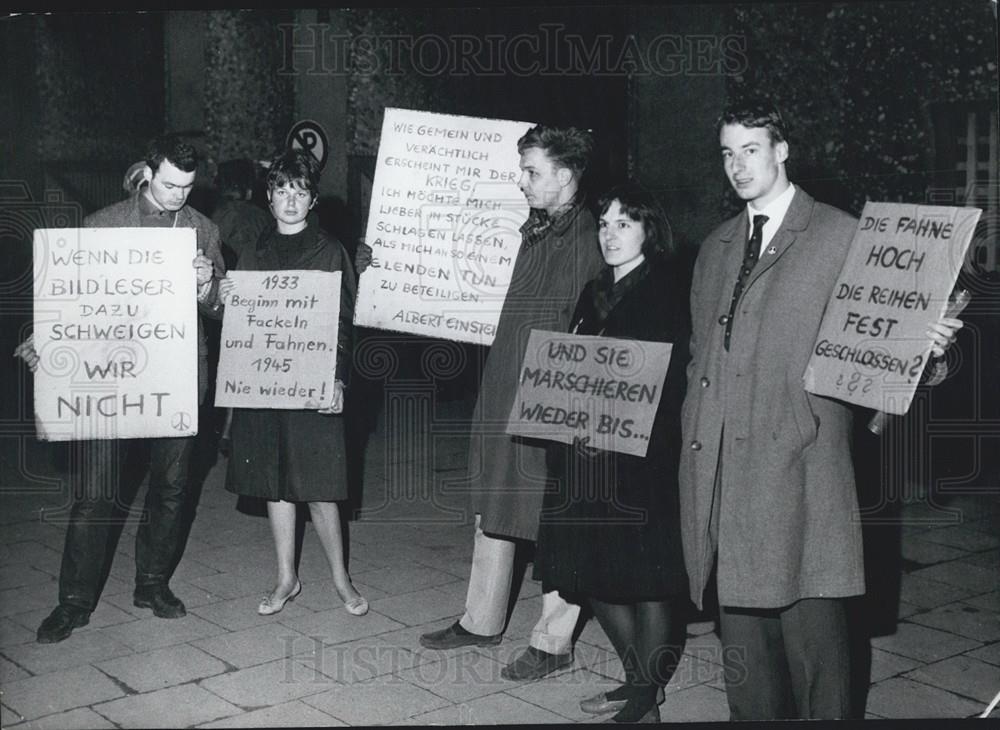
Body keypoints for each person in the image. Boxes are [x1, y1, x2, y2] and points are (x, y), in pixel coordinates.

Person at [678, 97, 964, 720]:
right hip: (726, 479)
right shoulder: (716, 246)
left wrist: (926, 348)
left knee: (819, 658)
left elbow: (885, 353)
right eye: (727, 153)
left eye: (751, 149)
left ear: (782, 150)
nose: (738, 165)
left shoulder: (840, 235)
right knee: (747, 661)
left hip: (802, 476)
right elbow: (703, 359)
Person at [14, 134, 225, 643]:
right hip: (108, 380)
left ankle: (152, 584)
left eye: (188, 187)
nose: (179, 196)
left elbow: (221, 307)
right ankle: (73, 602)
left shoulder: (204, 229)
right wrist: (40, 338)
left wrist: (205, 286)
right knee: (95, 494)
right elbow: (69, 297)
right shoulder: (101, 224)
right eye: (171, 185)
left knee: (171, 489)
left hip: (174, 380)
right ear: (148, 173)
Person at [418, 125, 605, 681]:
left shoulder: (592, 236)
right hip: (504, 386)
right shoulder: (534, 229)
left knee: (549, 511)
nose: (519, 181)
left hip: (549, 399)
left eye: (531, 172)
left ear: (565, 176)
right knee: (495, 501)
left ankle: (553, 640)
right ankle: (481, 618)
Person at [533, 183, 689, 723]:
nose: (611, 234)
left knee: (647, 579)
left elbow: (670, 380)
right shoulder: (593, 290)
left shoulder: (666, 292)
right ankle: (639, 680)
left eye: (624, 223)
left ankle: (644, 695)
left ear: (649, 230)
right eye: (604, 224)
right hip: (583, 457)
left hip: (639, 460)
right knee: (590, 572)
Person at [223, 149, 367, 617]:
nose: (290, 200)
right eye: (282, 190)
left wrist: (338, 380)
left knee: (321, 485)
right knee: (276, 483)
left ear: (312, 200)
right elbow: (240, 325)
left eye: (299, 191)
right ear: (269, 197)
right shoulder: (253, 251)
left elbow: (343, 321)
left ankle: (342, 578)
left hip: (312, 382)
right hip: (265, 386)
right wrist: (225, 298)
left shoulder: (329, 250)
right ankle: (287, 576)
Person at [210, 158, 271, 457]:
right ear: (249, 188)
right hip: (260, 301)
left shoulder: (212, 218)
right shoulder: (262, 217)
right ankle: (235, 427)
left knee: (228, 363)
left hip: (222, 301)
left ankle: (226, 428)